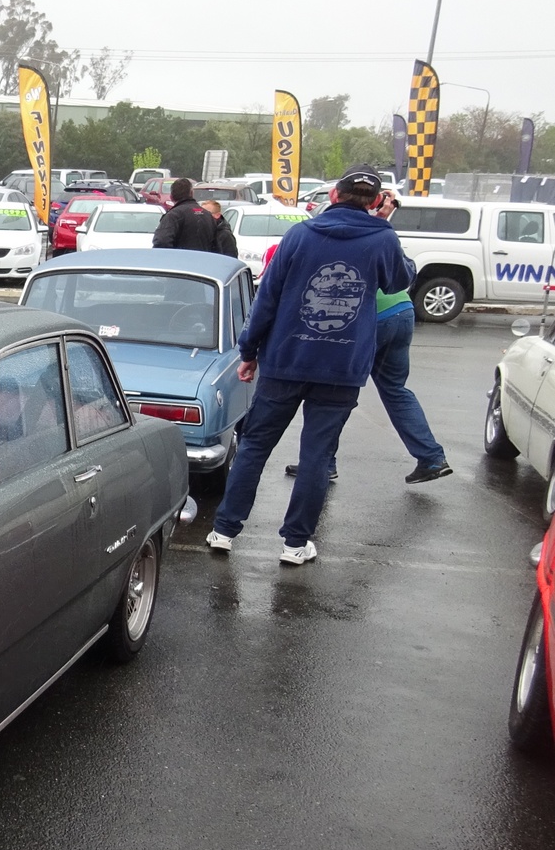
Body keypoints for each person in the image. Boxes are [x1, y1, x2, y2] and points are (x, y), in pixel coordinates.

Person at [205, 166, 411, 565]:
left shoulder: (300, 235)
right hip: (342, 367)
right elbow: (398, 280)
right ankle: (295, 544)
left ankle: (225, 531)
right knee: (317, 455)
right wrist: (385, 225)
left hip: (286, 359)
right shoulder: (382, 238)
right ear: (375, 201)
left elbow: (267, 297)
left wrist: (249, 351)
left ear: (333, 195)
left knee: (255, 446)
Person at [281, 187, 450, 484]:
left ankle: (323, 461)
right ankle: (431, 457)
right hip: (402, 310)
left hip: (374, 317)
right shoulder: (380, 233)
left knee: (335, 388)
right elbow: (400, 266)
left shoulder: (335, 232)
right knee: (395, 389)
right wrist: (384, 217)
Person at [151, 178, 219, 251]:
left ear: (171, 197)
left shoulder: (173, 216)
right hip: (205, 258)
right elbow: (219, 244)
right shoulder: (208, 216)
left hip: (180, 258)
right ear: (192, 193)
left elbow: (161, 242)